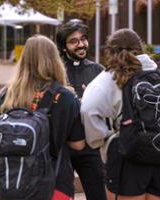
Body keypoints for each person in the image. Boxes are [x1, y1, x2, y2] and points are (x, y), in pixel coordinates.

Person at [81, 28, 160, 200]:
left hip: (126, 154)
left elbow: (88, 110)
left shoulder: (106, 80)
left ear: (109, 51)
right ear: (141, 49)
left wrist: (102, 140)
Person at [0, 34, 85, 200]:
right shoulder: (64, 97)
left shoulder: (5, 95)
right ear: (54, 60)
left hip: (10, 182)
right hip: (54, 183)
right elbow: (77, 145)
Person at [56, 20, 107, 200]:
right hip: (62, 146)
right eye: (73, 41)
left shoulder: (99, 71)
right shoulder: (55, 71)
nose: (81, 44)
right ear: (63, 47)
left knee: (99, 195)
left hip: (90, 145)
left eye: (83, 39)